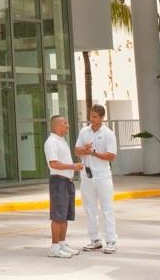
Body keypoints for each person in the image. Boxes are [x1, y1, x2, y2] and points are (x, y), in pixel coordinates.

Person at [75, 104, 118, 254]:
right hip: (86, 176)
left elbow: (111, 155)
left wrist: (93, 153)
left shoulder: (108, 134)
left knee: (107, 209)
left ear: (102, 117)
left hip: (102, 176)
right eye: (90, 116)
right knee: (89, 208)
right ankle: (95, 240)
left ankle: (111, 241)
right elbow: (77, 150)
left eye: (94, 116)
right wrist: (85, 149)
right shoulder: (84, 131)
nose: (91, 119)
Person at [44, 114, 84, 258]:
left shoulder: (61, 141)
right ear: (56, 126)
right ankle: (54, 248)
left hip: (67, 182)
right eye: (65, 123)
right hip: (58, 182)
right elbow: (54, 164)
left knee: (65, 215)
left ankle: (62, 243)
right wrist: (73, 166)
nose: (68, 125)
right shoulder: (51, 142)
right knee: (58, 216)